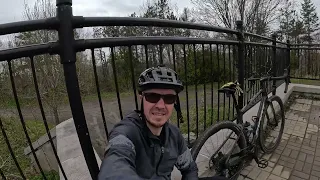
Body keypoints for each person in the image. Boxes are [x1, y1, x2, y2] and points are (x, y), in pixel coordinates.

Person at [98, 65, 228, 180]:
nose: (160, 105)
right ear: (141, 98)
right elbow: (114, 167)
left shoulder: (174, 134)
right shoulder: (127, 132)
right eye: (152, 96)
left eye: (169, 98)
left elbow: (189, 168)